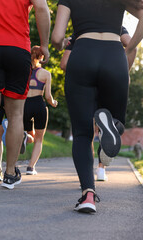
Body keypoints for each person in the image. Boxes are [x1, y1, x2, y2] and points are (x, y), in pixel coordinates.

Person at [52, 0, 143, 213]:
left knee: (83, 133)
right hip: (114, 55)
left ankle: (88, 196)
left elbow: (57, 37)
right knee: (117, 121)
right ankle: (109, 127)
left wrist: (62, 43)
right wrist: (131, 46)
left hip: (82, 53)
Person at [0, 0, 51, 190]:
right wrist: (44, 45)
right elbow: (41, 8)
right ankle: (11, 172)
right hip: (18, 49)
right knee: (15, 115)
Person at [60, 26, 137, 182]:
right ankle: (101, 169)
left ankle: (87, 178)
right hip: (112, 74)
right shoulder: (117, 26)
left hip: (84, 79)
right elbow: (131, 46)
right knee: (109, 121)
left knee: (85, 130)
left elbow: (64, 63)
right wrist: (124, 72)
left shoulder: (79, 31)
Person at [23, 46, 58, 175]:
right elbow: (48, 97)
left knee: (29, 134)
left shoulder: (23, 71)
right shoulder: (46, 74)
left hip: (25, 105)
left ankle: (25, 136)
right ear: (42, 57)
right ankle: (31, 167)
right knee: (39, 139)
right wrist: (53, 103)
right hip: (38, 105)